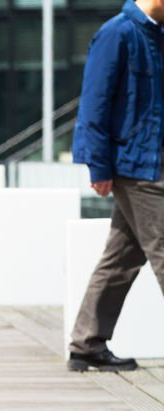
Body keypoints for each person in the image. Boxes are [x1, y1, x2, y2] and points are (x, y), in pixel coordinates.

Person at [68, 0, 164, 373]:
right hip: (134, 167)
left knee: (122, 257)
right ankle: (86, 343)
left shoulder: (155, 36)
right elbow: (94, 103)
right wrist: (98, 164)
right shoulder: (117, 33)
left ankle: (86, 344)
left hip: (150, 162)